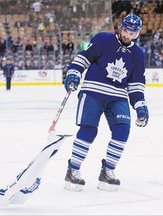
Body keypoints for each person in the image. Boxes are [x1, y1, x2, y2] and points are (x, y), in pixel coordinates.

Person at [63, 13, 149, 192]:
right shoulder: (103, 39)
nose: (127, 35)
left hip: (118, 97)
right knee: (88, 130)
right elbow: (84, 57)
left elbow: (136, 84)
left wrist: (140, 105)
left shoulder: (138, 54)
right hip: (93, 92)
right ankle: (73, 170)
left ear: (138, 34)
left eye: (132, 33)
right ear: (120, 27)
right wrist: (74, 72)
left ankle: (108, 171)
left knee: (122, 130)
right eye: (125, 30)